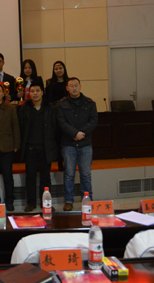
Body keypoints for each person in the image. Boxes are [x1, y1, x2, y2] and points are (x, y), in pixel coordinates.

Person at [57, 77, 98, 211]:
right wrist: (74, 133)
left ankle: (87, 200)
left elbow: (94, 121)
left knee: (85, 174)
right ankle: (68, 200)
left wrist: (81, 133)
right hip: (69, 144)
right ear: (67, 88)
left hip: (85, 143)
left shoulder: (89, 103)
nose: (74, 88)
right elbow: (61, 122)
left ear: (80, 86)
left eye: (76, 85)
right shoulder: (62, 104)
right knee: (69, 174)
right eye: (71, 86)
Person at [18, 77, 58, 212]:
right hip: (30, 148)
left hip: (46, 148)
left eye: (37, 91)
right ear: (29, 93)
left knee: (46, 177)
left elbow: (54, 127)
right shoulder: (24, 108)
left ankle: (46, 203)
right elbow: (21, 128)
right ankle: (31, 203)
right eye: (32, 91)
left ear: (42, 92)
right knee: (30, 177)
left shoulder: (50, 107)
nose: (35, 93)